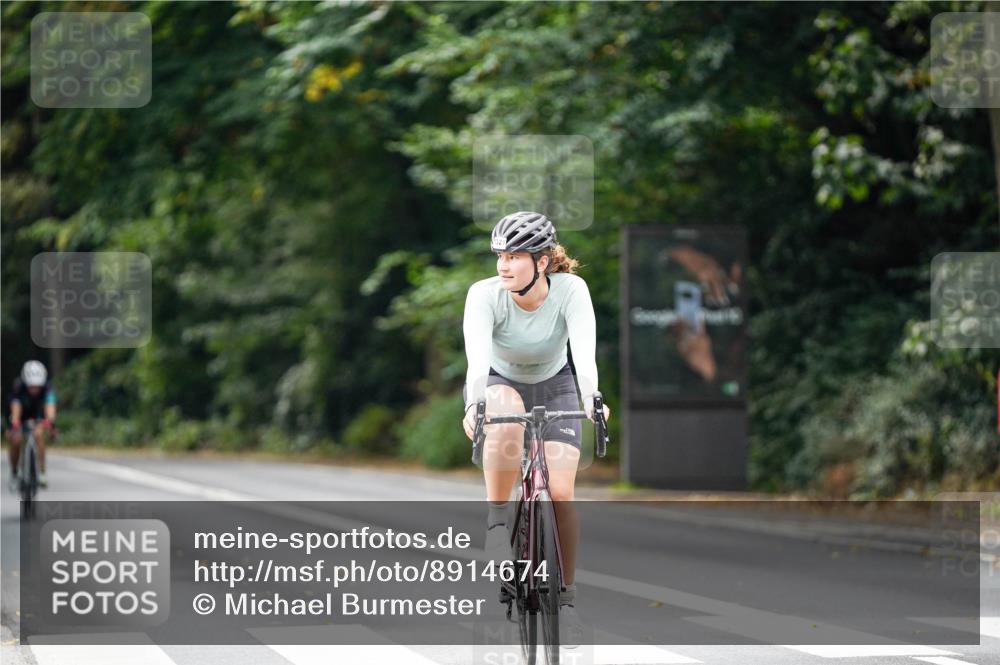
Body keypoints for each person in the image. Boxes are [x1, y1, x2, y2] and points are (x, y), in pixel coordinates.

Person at [461, 211, 610, 648]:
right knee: (504, 415)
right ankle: (497, 521)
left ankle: (565, 600)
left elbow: (584, 354)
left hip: (558, 383)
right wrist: (475, 404)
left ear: (542, 262)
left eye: (514, 256)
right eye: (499, 256)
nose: (503, 265)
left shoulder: (571, 291)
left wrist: (591, 400)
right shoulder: (484, 295)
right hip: (499, 380)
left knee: (561, 492)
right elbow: (476, 360)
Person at [7, 360, 57, 489]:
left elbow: (50, 407)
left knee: (39, 434)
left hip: (38, 416)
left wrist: (50, 423)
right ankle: (14, 472)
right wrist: (15, 423)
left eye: (37, 386)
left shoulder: (47, 388)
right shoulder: (19, 387)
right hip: (21, 415)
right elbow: (15, 408)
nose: (34, 389)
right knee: (16, 440)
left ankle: (41, 472)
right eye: (31, 386)